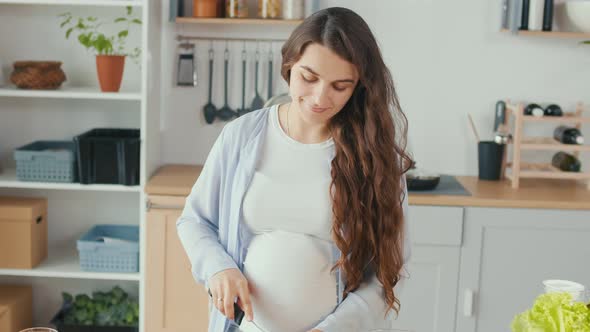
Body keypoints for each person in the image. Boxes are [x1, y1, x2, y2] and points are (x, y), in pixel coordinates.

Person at [177, 7, 412, 332]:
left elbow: (388, 272)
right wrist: (218, 268)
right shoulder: (242, 136)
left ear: (359, 86)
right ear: (289, 65)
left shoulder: (374, 157)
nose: (319, 97)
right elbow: (194, 220)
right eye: (309, 78)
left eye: (340, 86)